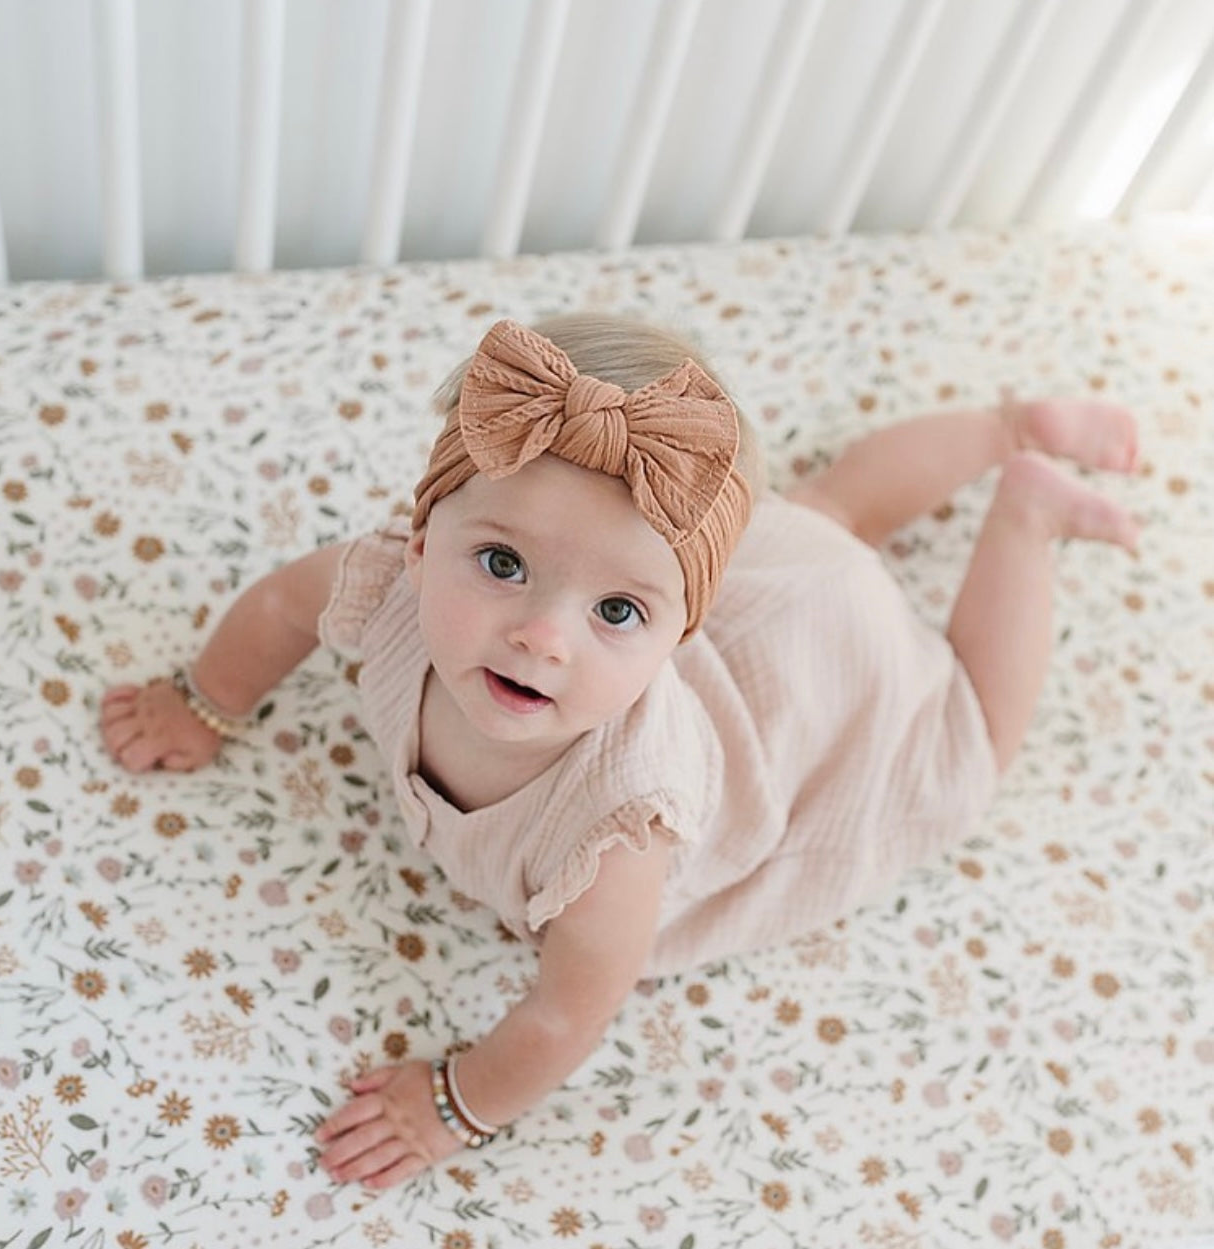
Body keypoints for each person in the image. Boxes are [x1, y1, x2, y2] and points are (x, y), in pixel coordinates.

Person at [100, 314, 1139, 1190]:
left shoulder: (618, 829)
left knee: (969, 732)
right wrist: (209, 700)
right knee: (824, 516)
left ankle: (1026, 509)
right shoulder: (387, 593)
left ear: (684, 629)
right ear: (419, 541)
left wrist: (455, 1105)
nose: (543, 636)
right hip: (775, 591)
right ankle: (1010, 427)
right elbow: (284, 602)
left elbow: (567, 1010)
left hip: (822, 691)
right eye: (502, 562)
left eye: (615, 609)